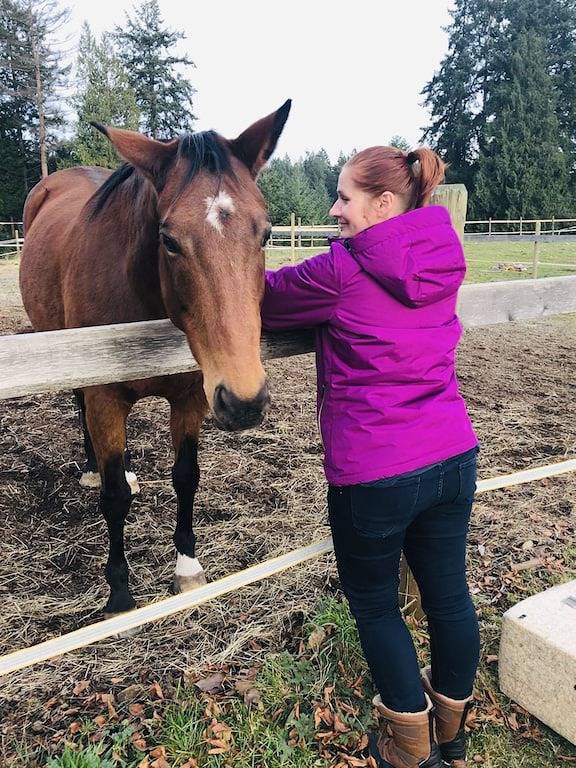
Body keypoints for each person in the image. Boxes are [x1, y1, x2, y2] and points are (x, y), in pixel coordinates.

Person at [261, 146, 480, 768]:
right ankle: (452, 733)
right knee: (448, 596)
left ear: (384, 203)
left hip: (376, 471)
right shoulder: (444, 255)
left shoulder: (342, 270)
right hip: (453, 454)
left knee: (376, 604)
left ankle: (410, 751)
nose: (334, 209)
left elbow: (264, 299)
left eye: (344, 198)